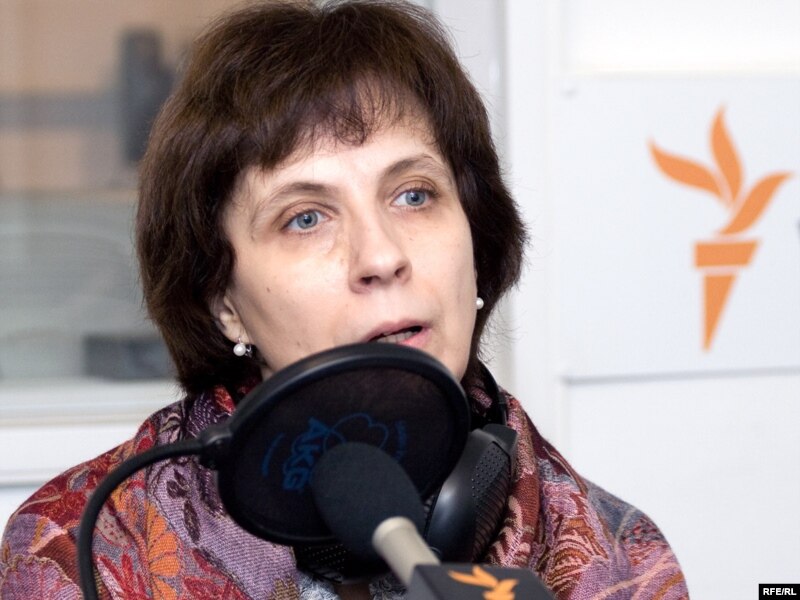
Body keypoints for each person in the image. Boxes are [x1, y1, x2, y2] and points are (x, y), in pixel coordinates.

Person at [0, 1, 689, 598]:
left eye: (413, 195)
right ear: (223, 301)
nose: (381, 256)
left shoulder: (622, 559)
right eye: (305, 217)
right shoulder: (74, 550)